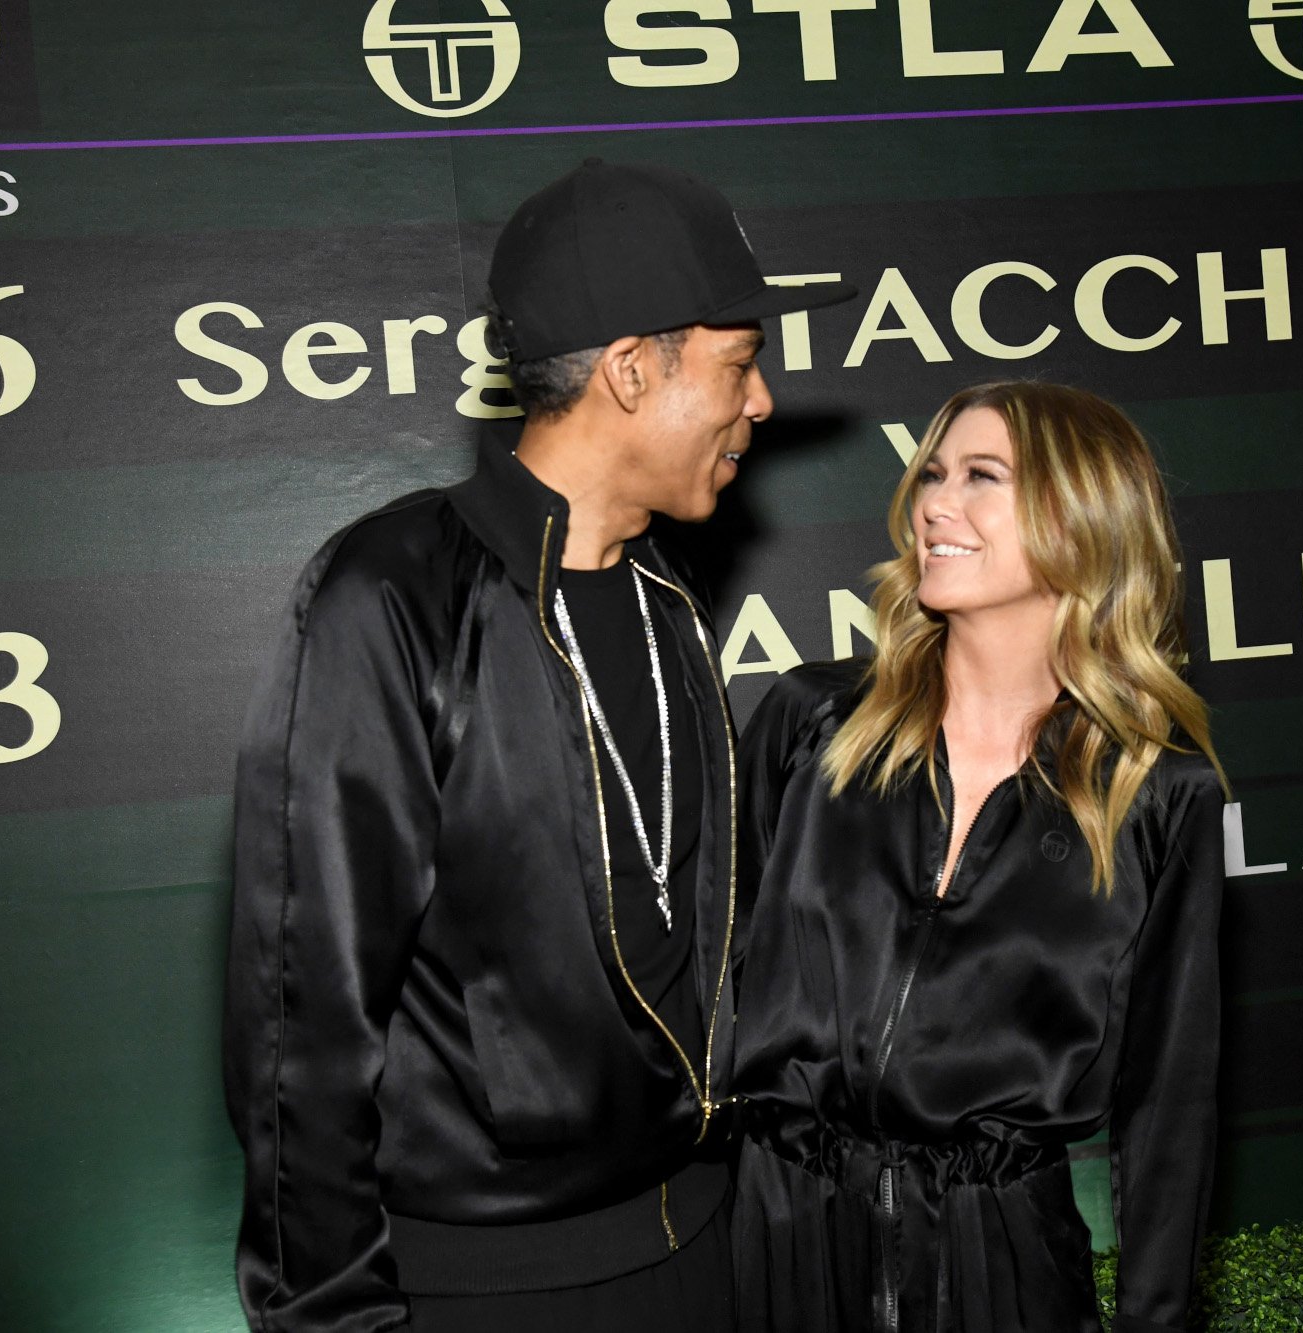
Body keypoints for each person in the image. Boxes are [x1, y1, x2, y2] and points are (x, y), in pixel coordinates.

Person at [222, 158, 854, 1332]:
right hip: (488, 1290)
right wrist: (331, 1316)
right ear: (628, 370)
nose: (760, 400)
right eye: (736, 364)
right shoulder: (389, 598)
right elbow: (298, 1019)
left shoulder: (663, 594)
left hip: (706, 1248)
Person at [730, 380, 1227, 1333]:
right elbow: (711, 984)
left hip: (1005, 1267)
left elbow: (1169, 1103)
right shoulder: (813, 726)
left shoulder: (1155, 796)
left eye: (981, 476)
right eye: (933, 473)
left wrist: (1157, 1320)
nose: (933, 503)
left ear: (1080, 518)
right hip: (777, 1240)